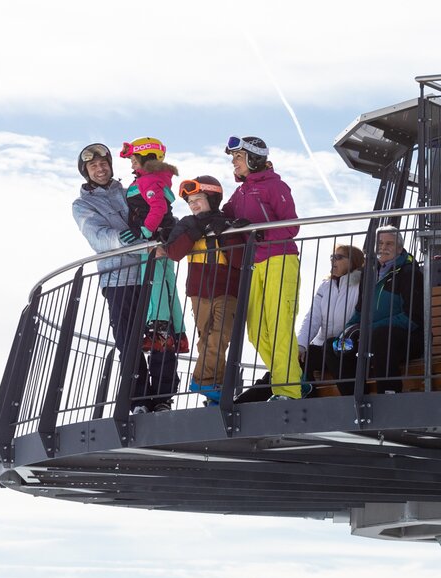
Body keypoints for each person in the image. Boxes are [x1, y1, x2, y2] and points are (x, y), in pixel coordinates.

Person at [71, 143, 169, 415]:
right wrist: (130, 242)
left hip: (151, 272)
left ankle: (162, 398)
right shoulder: (83, 204)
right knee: (129, 340)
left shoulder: (130, 191)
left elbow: (157, 212)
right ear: (86, 172)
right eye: (93, 166)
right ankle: (139, 400)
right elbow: (98, 237)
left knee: (162, 334)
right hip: (119, 279)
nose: (100, 169)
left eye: (104, 163)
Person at [221, 135, 304, 401]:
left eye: (238, 157)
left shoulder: (274, 186)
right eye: (233, 158)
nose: (234, 162)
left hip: (280, 259)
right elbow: (226, 214)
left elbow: (291, 225)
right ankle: (295, 378)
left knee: (279, 326)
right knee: (256, 332)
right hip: (255, 264)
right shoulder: (242, 191)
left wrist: (260, 233)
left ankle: (288, 391)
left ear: (253, 158)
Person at [117, 137, 185, 412]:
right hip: (153, 246)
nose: (131, 163)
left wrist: (144, 232)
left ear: (147, 158)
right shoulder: (150, 179)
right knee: (159, 290)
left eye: (134, 158)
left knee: (157, 293)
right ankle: (154, 394)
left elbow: (158, 208)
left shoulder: (149, 181)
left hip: (153, 246)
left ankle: (160, 327)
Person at [163, 176, 240, 405]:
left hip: (227, 289)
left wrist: (225, 234)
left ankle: (202, 381)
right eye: (189, 202)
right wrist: (194, 231)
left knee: (221, 336)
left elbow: (239, 260)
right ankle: (215, 390)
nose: (193, 205)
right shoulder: (187, 224)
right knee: (206, 339)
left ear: (213, 198)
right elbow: (174, 253)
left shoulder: (228, 223)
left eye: (197, 199)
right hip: (199, 291)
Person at [334, 227, 424, 395]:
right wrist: (347, 331)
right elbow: (360, 310)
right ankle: (353, 397)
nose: (383, 247)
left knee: (381, 335)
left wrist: (370, 329)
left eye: (389, 244)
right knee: (335, 345)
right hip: (373, 337)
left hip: (409, 339)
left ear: (399, 248)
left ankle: (389, 393)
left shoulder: (409, 273)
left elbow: (413, 318)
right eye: (380, 243)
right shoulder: (369, 273)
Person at [297, 244, 364, 394]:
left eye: (338, 257)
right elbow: (312, 317)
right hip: (325, 346)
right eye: (332, 256)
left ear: (353, 261)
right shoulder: (325, 286)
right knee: (299, 355)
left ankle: (350, 395)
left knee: (331, 346)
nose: (333, 260)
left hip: (349, 344)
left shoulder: (361, 284)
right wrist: (301, 344)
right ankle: (309, 395)